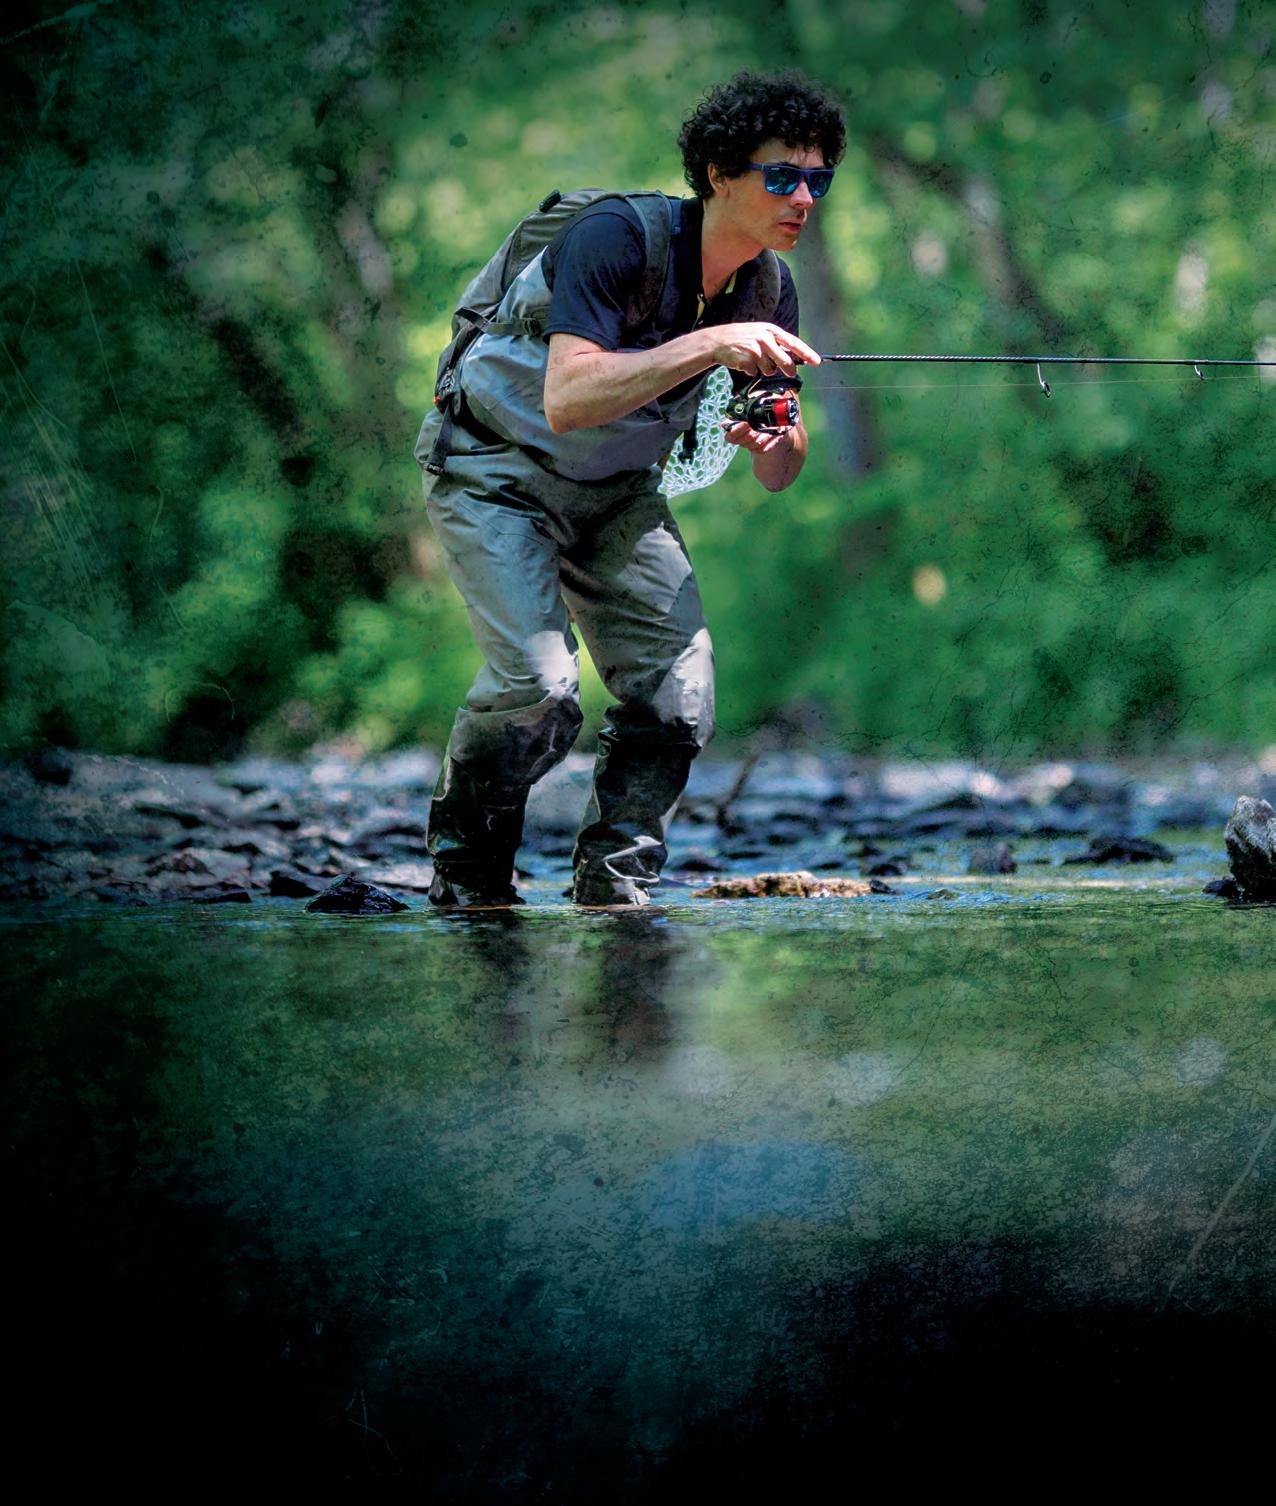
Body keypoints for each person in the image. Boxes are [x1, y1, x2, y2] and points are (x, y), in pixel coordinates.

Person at [413, 71, 846, 908]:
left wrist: (778, 436)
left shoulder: (769, 289)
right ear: (720, 173)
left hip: (616, 494)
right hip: (494, 471)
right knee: (539, 689)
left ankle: (616, 891)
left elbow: (779, 472)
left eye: (817, 181)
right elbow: (568, 398)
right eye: (782, 177)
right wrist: (712, 344)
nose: (803, 199)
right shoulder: (614, 237)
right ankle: (469, 883)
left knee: (680, 693)